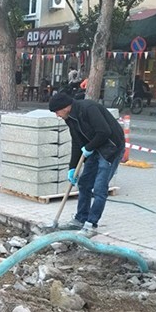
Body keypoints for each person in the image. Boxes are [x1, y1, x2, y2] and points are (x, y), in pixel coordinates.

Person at [48, 92, 125, 237]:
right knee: (84, 183)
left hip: (111, 147)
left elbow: (104, 132)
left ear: (65, 107)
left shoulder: (88, 108)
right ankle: (80, 219)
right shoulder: (69, 118)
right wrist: (72, 167)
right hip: (95, 146)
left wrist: (88, 148)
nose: (57, 115)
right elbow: (77, 143)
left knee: (99, 187)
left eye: (57, 112)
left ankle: (91, 224)